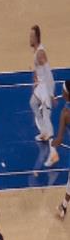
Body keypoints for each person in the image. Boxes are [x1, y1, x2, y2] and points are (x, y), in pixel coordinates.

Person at [29, 25, 55, 147]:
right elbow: (38, 69)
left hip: (45, 87)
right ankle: (45, 132)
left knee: (46, 114)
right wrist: (35, 80)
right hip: (41, 86)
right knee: (33, 103)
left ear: (37, 38)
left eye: (32, 36)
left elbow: (48, 72)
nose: (30, 38)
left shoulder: (40, 53)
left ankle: (49, 139)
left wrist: (51, 93)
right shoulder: (36, 51)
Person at [50, 80, 70, 218]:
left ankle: (64, 206)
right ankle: (64, 206)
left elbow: (59, 140)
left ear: (66, 94)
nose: (61, 91)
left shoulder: (65, 113)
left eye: (62, 90)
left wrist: (52, 144)